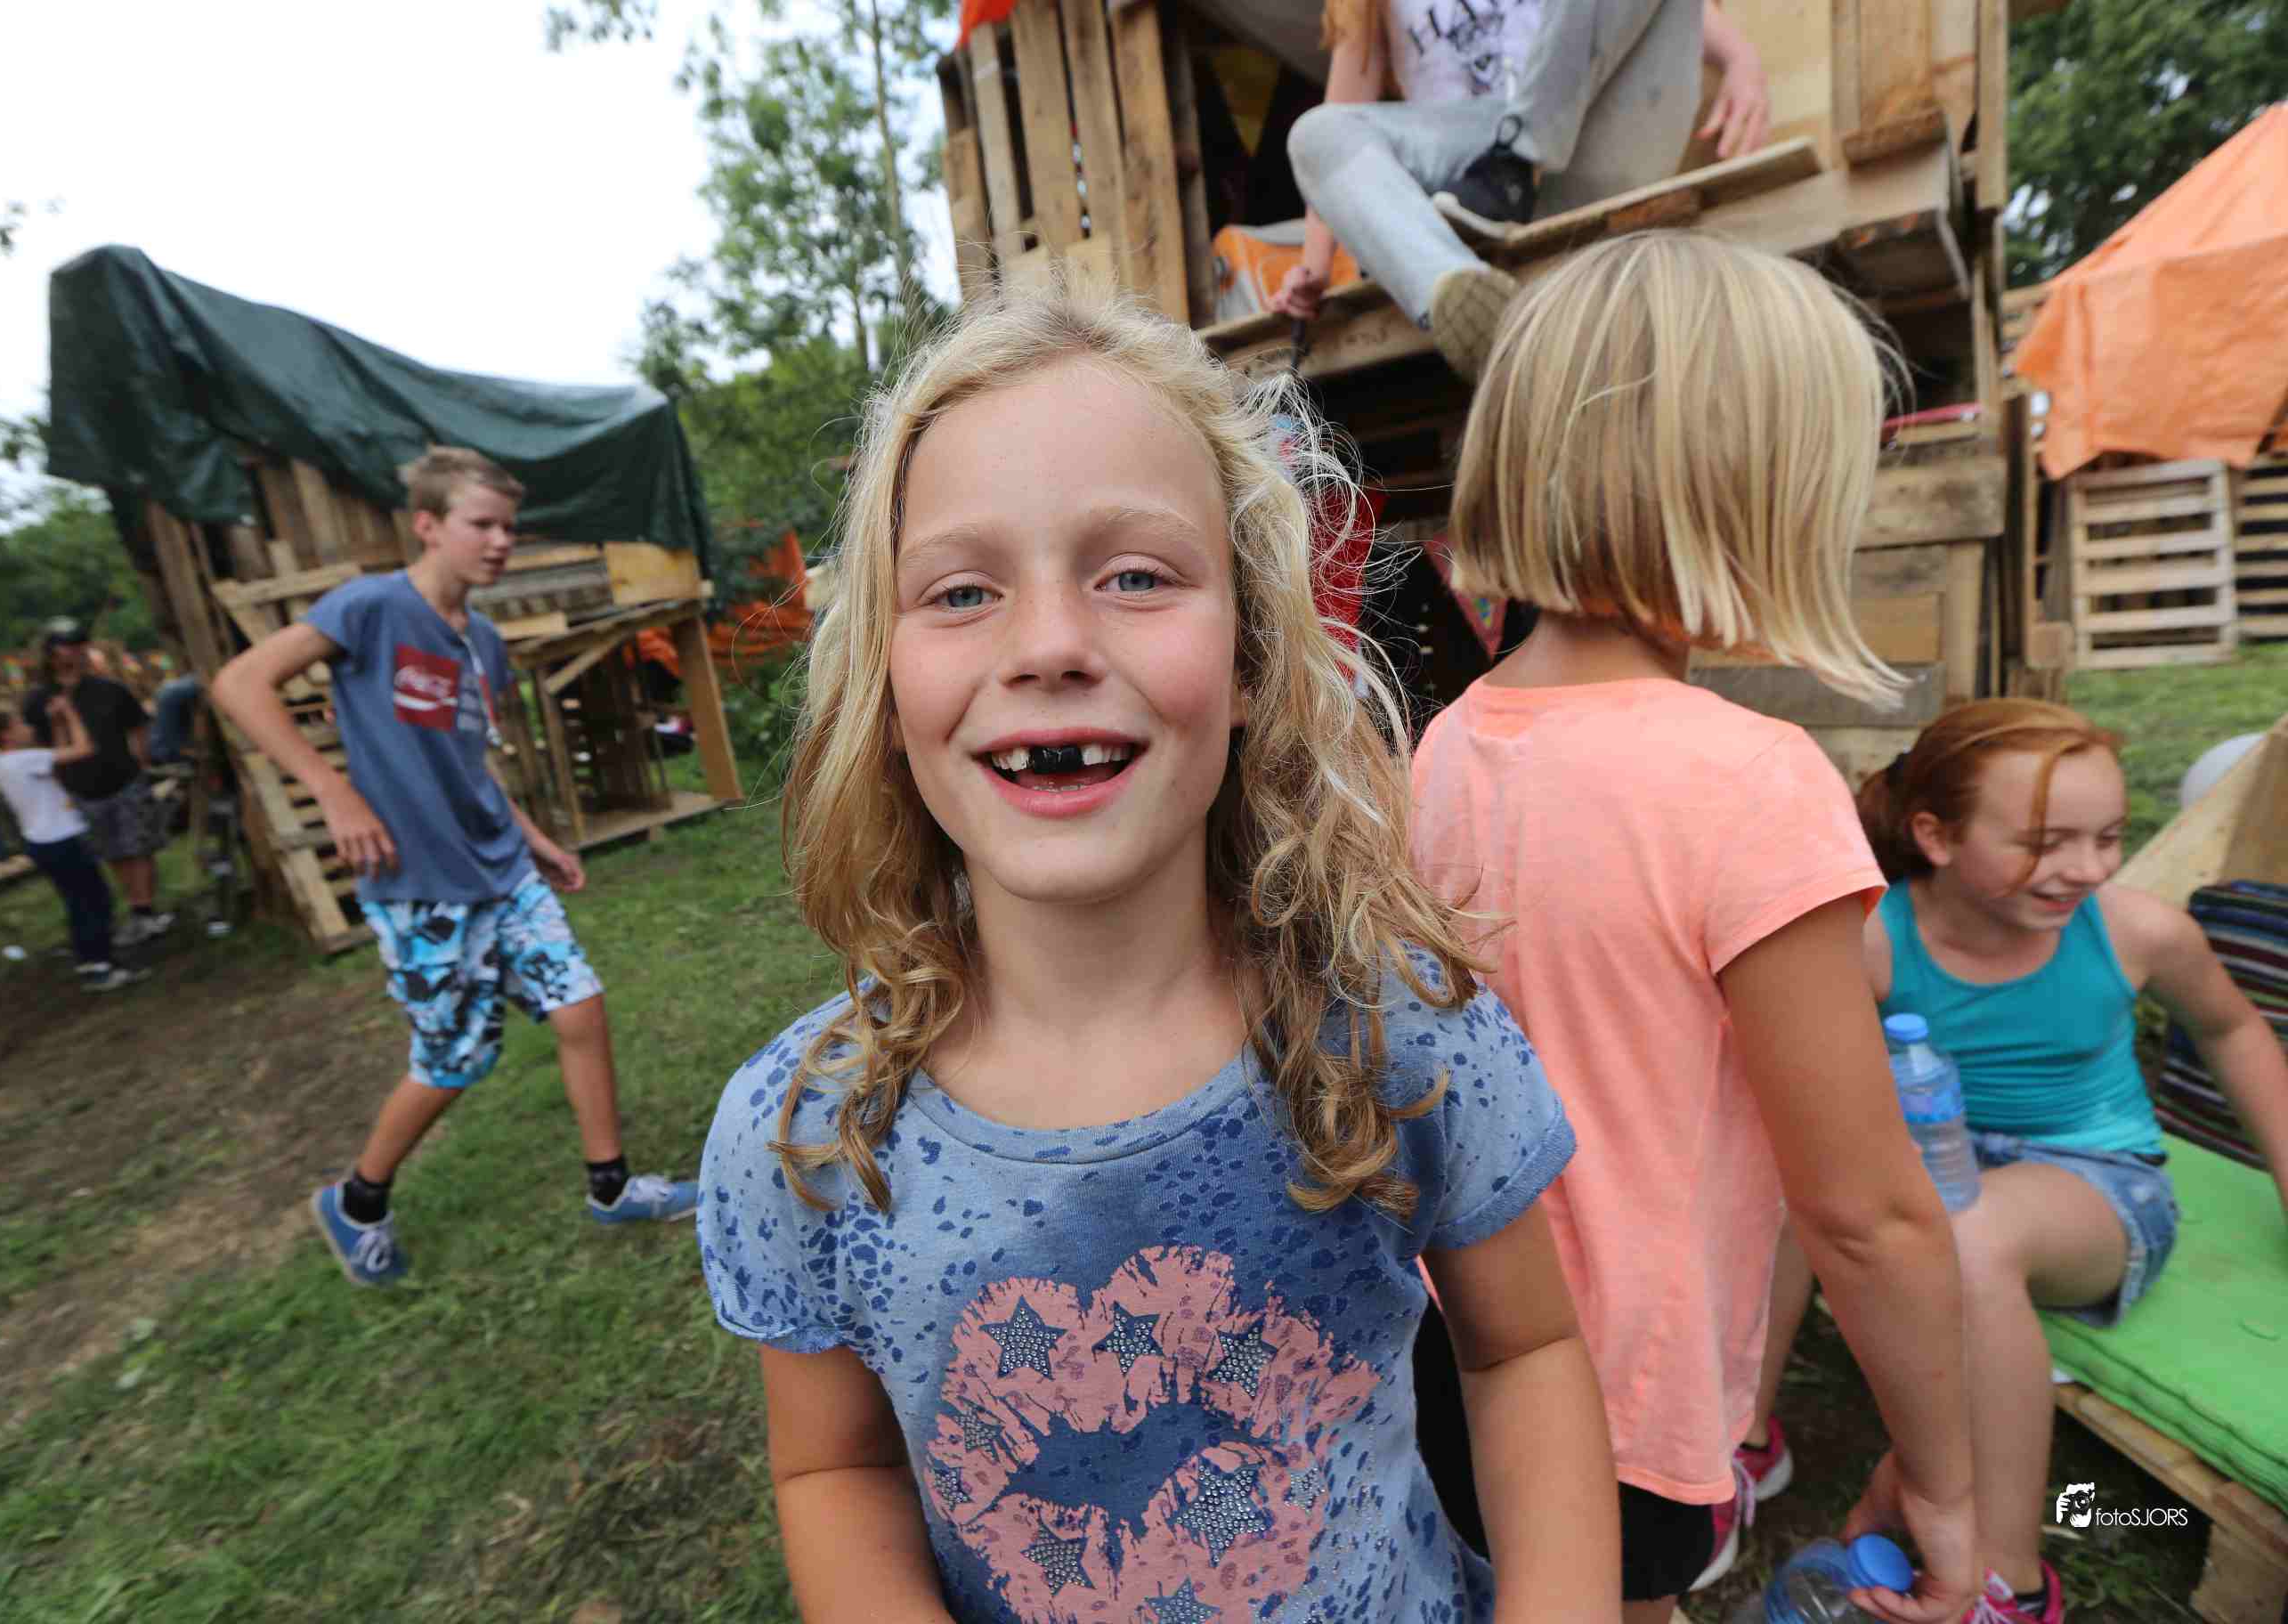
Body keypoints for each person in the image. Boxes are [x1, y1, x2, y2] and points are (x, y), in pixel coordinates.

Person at [696, 288, 1622, 1621]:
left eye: (1135, 576)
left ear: (1251, 657)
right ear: (887, 690)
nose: (1051, 646)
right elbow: (834, 1468)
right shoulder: (807, 1135)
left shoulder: (1400, 1031)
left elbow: (1524, 1352)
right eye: (962, 592)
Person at [1409, 233, 1977, 1624]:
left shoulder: (1447, 745)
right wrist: (1950, 1482)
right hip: (1625, 1399)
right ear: (1755, 495)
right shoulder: (1750, 782)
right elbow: (1867, 1216)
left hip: (1446, 1342)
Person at [1744, 699, 2288, 1623]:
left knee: (1973, 1235)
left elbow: (2234, 1030)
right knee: (1790, 1178)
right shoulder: (1875, 938)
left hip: (2095, 1186)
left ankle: (2011, 1584)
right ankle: (1742, 1440)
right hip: (1935, 1166)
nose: (2089, 867)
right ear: (1937, 836)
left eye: (2108, 837)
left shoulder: (2136, 931)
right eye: (2045, 843)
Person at [211, 446, 698, 1288]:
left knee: (580, 1005)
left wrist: (533, 836)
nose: (501, 541)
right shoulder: (370, 608)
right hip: (420, 884)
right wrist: (333, 791)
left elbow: (469, 763)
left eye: (509, 527)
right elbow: (241, 683)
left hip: (501, 869)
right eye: (482, 524)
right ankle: (358, 1200)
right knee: (453, 1061)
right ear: (428, 526)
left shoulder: (484, 643)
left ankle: (611, 1188)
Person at [1276, 0, 1768, 380]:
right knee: (1315, 133)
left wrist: (1742, 60)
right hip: (1468, 186)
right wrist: (1314, 266)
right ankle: (1459, 296)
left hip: (1584, 142)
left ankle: (1517, 162)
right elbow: (1341, 120)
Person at [0, 702, 147, 993]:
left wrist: (58, 725)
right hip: (62, 840)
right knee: (94, 901)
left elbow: (59, 756)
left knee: (79, 903)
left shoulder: (1, 763)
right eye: (19, 723)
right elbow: (84, 749)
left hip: (43, 843)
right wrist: (70, 712)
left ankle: (96, 961)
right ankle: (98, 967)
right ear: (7, 735)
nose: (28, 727)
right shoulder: (25, 759)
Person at [23, 621, 174, 946]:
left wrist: (141, 763)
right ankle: (136, 906)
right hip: (79, 788)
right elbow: (37, 747)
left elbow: (138, 727)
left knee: (138, 846)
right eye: (68, 645)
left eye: (81, 644)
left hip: (125, 779)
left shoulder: (110, 690)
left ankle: (145, 910)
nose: (76, 651)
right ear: (50, 653)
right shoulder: (37, 701)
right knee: (111, 851)